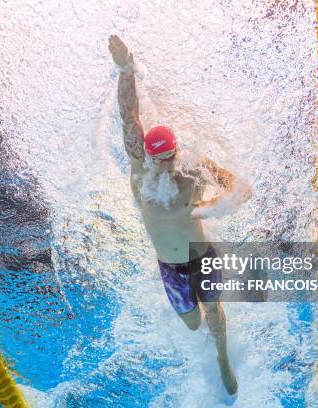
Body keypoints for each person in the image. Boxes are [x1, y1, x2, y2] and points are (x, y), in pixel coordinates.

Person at [108, 34, 251, 395]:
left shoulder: (192, 168)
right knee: (192, 324)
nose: (169, 164)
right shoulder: (140, 170)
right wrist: (126, 68)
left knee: (214, 311)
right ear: (149, 155)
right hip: (169, 265)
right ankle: (204, 334)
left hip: (202, 256)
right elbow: (130, 116)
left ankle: (222, 357)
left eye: (172, 156)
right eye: (161, 158)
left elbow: (240, 190)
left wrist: (211, 208)